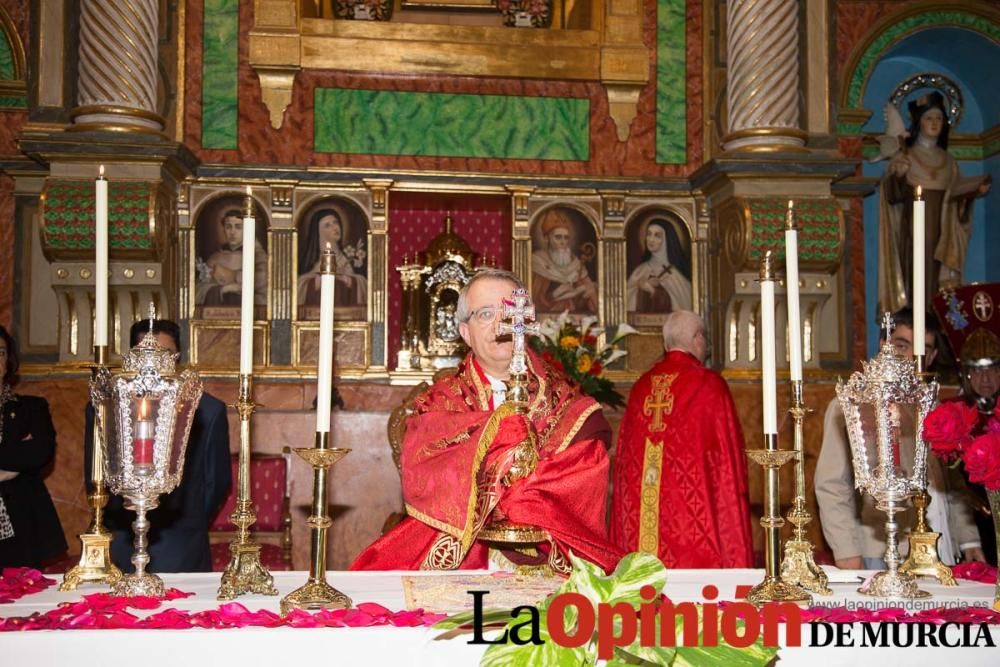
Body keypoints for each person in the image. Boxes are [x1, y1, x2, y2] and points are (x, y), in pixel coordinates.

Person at [351, 268, 621, 572]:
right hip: (464, 552)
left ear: (525, 320)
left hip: (548, 552)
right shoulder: (442, 403)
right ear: (466, 332)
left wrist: (520, 500)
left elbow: (585, 469)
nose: (499, 325)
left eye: (508, 312)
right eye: (485, 314)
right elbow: (428, 475)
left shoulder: (566, 399)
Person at [815, 308, 984, 569]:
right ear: (884, 345)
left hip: (942, 548)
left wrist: (968, 540)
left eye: (924, 350)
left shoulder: (935, 406)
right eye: (902, 345)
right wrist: (846, 551)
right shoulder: (853, 405)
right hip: (882, 549)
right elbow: (832, 485)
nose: (911, 358)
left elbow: (952, 484)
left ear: (933, 356)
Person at [85, 319, 232, 572]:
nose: (153, 365)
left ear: (177, 357)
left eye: (163, 356)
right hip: (120, 537)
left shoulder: (207, 409)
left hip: (180, 541)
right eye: (145, 355)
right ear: (131, 357)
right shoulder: (105, 405)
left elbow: (216, 482)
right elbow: (94, 474)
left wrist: (184, 517)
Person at [610, 310, 754, 568]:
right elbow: (727, 466)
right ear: (698, 339)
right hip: (694, 533)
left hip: (642, 527)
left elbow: (623, 466)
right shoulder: (709, 384)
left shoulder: (642, 386)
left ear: (667, 344)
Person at [878, 91, 991, 314]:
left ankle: (939, 319)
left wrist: (972, 193)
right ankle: (916, 316)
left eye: (939, 118)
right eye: (929, 118)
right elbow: (892, 196)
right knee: (918, 277)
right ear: (918, 122)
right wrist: (899, 176)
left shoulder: (949, 161)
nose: (934, 123)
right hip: (914, 235)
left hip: (945, 235)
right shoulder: (906, 157)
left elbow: (957, 199)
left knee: (941, 287)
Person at [933, 284, 1000, 565]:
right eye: (977, 370)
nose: (986, 379)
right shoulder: (952, 414)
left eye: (993, 369)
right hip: (975, 524)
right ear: (966, 374)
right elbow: (950, 484)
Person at [0, 326, 67, 568]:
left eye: (1, 353)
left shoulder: (31, 408)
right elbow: (24, 456)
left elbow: (40, 453)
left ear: (9, 362)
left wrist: (23, 457)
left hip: (23, 521)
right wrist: (13, 456)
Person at [530, 209, 599, 314]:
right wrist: (554, 295)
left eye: (566, 238)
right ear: (546, 238)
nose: (563, 242)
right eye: (558, 237)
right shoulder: (538, 261)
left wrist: (584, 293)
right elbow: (532, 300)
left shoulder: (576, 264)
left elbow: (591, 302)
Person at [195, 209, 268, 307]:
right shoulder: (215, 258)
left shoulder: (258, 256)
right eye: (228, 227)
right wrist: (224, 289)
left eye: (238, 227)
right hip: (218, 314)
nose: (232, 232)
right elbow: (198, 290)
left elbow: (264, 281)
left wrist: (234, 276)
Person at [297, 207, 367, 309]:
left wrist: (348, 280)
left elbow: (364, 284)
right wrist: (318, 280)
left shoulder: (349, 258)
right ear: (319, 231)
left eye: (336, 222)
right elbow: (299, 286)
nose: (335, 227)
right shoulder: (312, 260)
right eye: (327, 225)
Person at [626, 218, 693, 314]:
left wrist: (653, 290)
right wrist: (641, 288)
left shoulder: (675, 274)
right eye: (649, 234)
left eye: (657, 235)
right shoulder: (640, 270)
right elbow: (625, 301)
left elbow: (684, 306)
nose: (651, 239)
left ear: (667, 240)